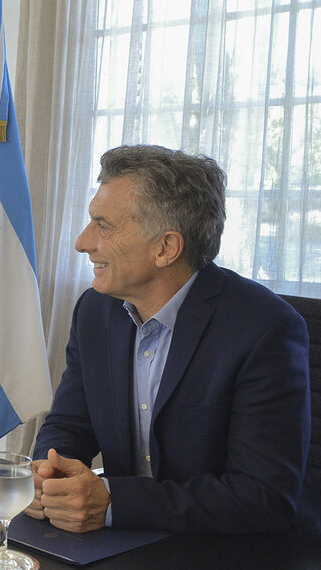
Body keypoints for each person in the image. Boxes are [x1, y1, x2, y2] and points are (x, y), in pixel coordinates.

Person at [24, 144, 312, 534]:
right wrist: (51, 473)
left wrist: (112, 503)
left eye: (103, 225)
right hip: (120, 550)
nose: (83, 242)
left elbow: (262, 496)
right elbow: (69, 423)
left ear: (166, 248)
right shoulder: (96, 310)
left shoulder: (264, 329)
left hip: (220, 561)